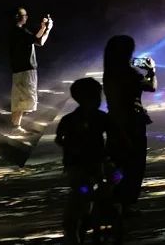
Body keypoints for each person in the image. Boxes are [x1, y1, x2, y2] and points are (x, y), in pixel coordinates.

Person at [55, 77, 121, 244]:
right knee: (87, 194)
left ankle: (78, 228)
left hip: (82, 167)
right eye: (97, 96)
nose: (99, 100)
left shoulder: (69, 119)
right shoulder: (100, 117)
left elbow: (59, 139)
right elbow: (116, 136)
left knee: (83, 196)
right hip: (86, 167)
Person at [102, 35, 157, 216]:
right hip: (133, 122)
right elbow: (151, 87)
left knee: (118, 163)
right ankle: (125, 204)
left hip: (114, 121)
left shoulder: (109, 73)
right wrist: (152, 70)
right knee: (134, 164)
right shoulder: (130, 74)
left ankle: (113, 201)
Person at [9, 7, 53, 130]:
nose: (27, 17)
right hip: (26, 70)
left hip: (19, 69)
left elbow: (39, 41)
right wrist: (45, 28)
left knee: (19, 99)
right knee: (23, 99)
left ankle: (15, 126)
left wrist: (45, 29)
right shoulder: (20, 32)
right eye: (25, 15)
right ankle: (16, 127)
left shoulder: (15, 32)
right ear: (19, 17)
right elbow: (36, 38)